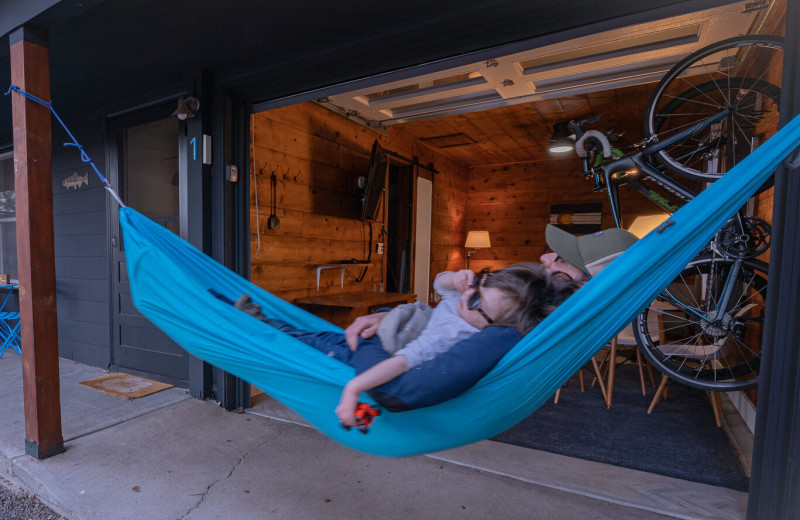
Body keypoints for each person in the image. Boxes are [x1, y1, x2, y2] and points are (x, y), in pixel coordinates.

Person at [341, 224, 638, 414]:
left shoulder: (510, 327)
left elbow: (398, 389)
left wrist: (383, 324)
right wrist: (389, 315)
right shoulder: (524, 292)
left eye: (561, 259)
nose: (547, 256)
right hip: (401, 330)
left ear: (583, 284)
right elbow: (443, 292)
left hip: (377, 353)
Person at [235, 263, 575, 426]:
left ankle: (254, 324)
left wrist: (353, 389)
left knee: (299, 342)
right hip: (374, 339)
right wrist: (457, 278)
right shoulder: (468, 305)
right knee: (307, 335)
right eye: (479, 285)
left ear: (493, 325)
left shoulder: (456, 336)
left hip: (363, 355)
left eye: (477, 303)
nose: (466, 298)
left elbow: (402, 363)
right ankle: (260, 322)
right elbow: (441, 285)